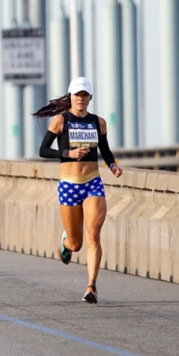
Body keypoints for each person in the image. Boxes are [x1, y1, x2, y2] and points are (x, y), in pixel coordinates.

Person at [35, 77, 123, 304]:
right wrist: (67, 154)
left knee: (94, 233)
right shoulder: (61, 121)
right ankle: (66, 243)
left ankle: (91, 286)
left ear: (90, 98)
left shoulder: (98, 122)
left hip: (93, 182)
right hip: (69, 185)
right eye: (76, 95)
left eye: (84, 95)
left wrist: (112, 164)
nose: (80, 99)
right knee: (76, 244)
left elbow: (105, 149)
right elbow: (43, 150)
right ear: (70, 97)